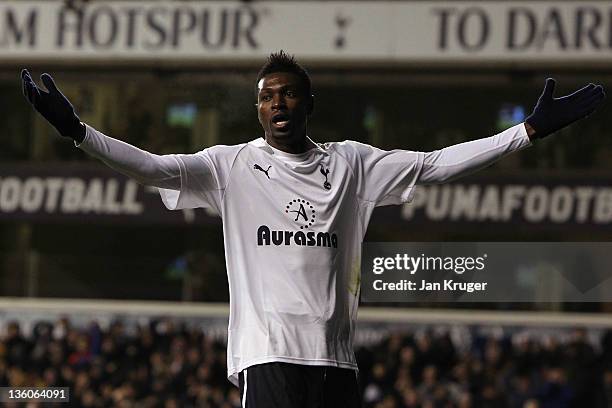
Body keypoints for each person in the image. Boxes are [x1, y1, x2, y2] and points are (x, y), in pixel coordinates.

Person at [21, 51, 605, 407]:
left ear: (307, 103)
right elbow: (152, 167)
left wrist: (524, 133)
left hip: (336, 364)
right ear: (258, 110)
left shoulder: (353, 163)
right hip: (269, 358)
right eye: (266, 97)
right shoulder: (230, 167)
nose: (277, 104)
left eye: (288, 94)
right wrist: (79, 132)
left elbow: (435, 164)